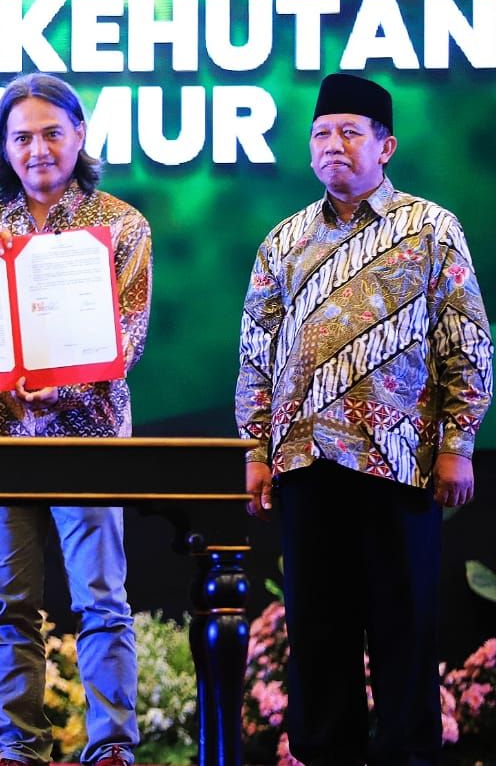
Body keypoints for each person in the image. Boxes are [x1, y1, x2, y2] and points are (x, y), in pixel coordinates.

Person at [237, 72, 491, 765]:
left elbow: (466, 339)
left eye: (350, 132)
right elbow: (256, 352)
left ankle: (409, 756)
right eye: (322, 133)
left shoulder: (430, 228)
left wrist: (458, 444)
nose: (333, 145)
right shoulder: (284, 240)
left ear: (387, 146)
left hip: (397, 461)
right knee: (318, 635)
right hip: (306, 464)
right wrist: (257, 452)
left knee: (403, 629)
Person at [0, 72, 151, 766]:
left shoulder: (121, 226)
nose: (36, 149)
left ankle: (112, 748)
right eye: (20, 136)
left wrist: (54, 390)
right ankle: (21, 750)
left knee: (101, 601)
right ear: (3, 147)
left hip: (88, 441)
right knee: (6, 604)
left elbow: (125, 338)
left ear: (79, 136)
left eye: (50, 133)